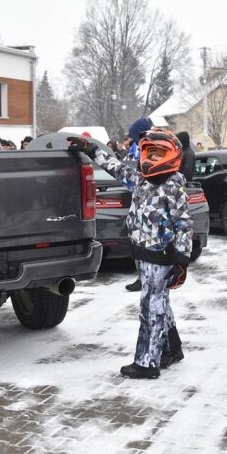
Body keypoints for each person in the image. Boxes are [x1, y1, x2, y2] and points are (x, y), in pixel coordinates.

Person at [67, 129, 192, 379]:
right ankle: (172, 349)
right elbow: (114, 166)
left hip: (161, 255)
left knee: (151, 306)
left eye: (159, 153)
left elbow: (185, 225)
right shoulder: (141, 181)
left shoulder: (173, 188)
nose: (152, 158)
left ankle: (147, 362)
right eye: (150, 152)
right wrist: (90, 149)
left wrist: (181, 261)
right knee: (160, 302)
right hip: (143, 254)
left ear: (171, 155)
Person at [124, 118, 153, 292]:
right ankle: (142, 277)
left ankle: (145, 278)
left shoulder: (150, 152)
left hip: (147, 207)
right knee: (138, 243)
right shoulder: (144, 151)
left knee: (144, 244)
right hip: (140, 205)